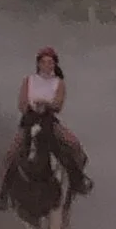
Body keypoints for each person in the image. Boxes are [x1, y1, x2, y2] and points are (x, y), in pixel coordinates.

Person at [13, 47, 90, 192]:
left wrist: (47, 105)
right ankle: (4, 191)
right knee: (11, 152)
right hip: (30, 119)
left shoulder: (59, 83)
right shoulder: (28, 80)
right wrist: (31, 108)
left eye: (50, 63)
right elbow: (21, 103)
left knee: (73, 144)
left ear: (55, 65)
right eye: (44, 62)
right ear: (38, 64)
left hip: (48, 119)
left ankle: (78, 180)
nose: (47, 66)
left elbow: (58, 105)